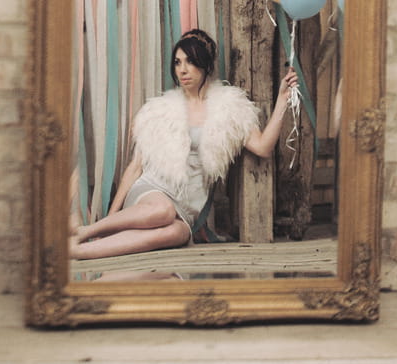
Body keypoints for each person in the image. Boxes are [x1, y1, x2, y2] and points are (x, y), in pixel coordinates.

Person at [70, 28, 299, 260]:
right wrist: (111, 216)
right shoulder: (160, 110)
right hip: (151, 192)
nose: (182, 69)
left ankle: (79, 251)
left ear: (206, 64)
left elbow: (262, 147)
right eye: (178, 62)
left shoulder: (230, 109)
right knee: (163, 211)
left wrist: (282, 100)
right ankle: (86, 232)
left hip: (186, 209)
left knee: (177, 233)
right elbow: (136, 167)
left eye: (190, 61)